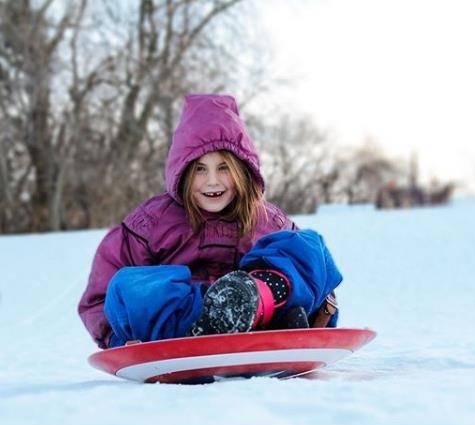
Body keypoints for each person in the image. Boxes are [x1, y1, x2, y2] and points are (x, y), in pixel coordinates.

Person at [78, 94, 342, 348]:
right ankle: (212, 323)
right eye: (200, 169)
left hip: (260, 314)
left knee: (307, 246)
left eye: (224, 168)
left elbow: (316, 279)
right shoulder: (153, 222)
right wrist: (116, 339)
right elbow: (101, 295)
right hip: (181, 327)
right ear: (182, 173)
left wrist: (317, 314)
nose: (212, 181)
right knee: (129, 285)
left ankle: (257, 301)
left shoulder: (266, 219)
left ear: (242, 171)